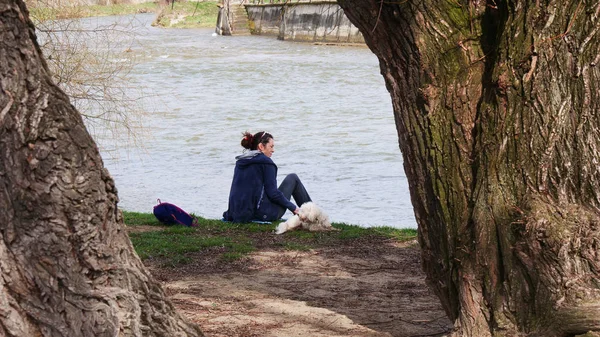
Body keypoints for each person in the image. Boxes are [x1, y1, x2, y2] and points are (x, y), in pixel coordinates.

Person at [223, 131, 312, 223]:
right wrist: (294, 209)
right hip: (262, 215)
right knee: (292, 178)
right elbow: (273, 193)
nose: (273, 150)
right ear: (261, 146)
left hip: (236, 214)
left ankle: (312, 214)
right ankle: (314, 215)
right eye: (271, 146)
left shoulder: (241, 162)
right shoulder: (266, 163)